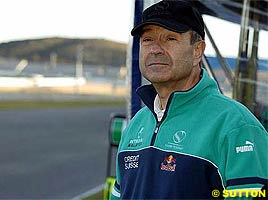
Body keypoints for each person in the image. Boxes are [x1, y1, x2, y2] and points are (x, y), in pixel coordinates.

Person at [110, 0, 268, 199]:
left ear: (197, 51)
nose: (155, 49)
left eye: (170, 39)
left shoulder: (237, 126)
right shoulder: (136, 125)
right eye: (147, 40)